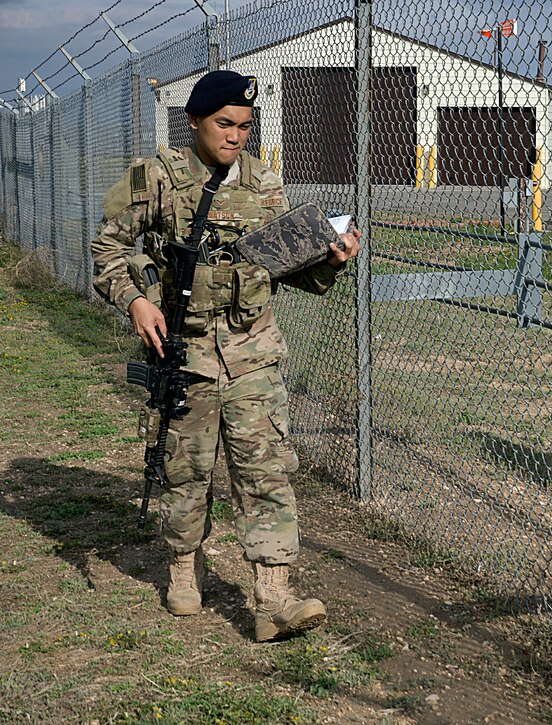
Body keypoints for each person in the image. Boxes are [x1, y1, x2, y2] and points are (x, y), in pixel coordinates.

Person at [91, 70, 360, 640]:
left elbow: (289, 269)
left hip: (252, 353)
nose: (236, 136)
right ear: (193, 122)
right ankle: (184, 569)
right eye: (223, 124)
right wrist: (137, 302)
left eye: (244, 126)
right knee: (187, 472)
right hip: (183, 353)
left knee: (266, 472)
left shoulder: (264, 183)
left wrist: (332, 261)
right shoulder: (155, 179)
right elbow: (107, 248)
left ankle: (274, 599)